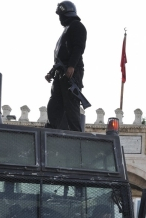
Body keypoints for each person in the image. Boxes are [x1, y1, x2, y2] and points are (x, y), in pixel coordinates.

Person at [46, 1, 87, 131]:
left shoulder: (77, 26)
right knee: (54, 105)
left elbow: (78, 48)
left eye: (61, 15)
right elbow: (60, 57)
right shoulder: (66, 31)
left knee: (71, 108)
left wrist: (71, 66)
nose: (60, 19)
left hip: (71, 74)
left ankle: (77, 138)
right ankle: (50, 131)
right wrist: (51, 72)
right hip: (60, 74)